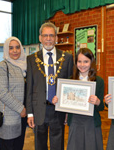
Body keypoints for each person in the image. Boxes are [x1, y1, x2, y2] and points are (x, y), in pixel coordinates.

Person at [26, 22, 73, 150]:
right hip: (38, 109)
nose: (48, 39)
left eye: (51, 35)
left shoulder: (67, 58)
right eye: (45, 35)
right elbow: (29, 87)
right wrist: (30, 113)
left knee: (58, 144)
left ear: (56, 38)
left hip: (58, 109)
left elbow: (70, 86)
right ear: (40, 38)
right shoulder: (31, 59)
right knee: (39, 145)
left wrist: (68, 111)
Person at [52, 48, 104, 150]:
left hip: (91, 123)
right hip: (75, 122)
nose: (82, 64)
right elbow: (66, 103)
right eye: (79, 61)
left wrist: (98, 102)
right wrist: (58, 101)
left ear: (91, 62)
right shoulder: (71, 80)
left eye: (86, 61)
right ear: (76, 63)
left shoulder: (99, 81)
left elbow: (101, 107)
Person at [0, 36, 27, 150]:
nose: (15, 51)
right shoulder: (2, 66)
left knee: (18, 146)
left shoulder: (25, 66)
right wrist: (20, 108)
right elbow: (2, 92)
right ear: (7, 50)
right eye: (11, 48)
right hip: (8, 116)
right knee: (8, 146)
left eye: (17, 47)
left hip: (22, 116)